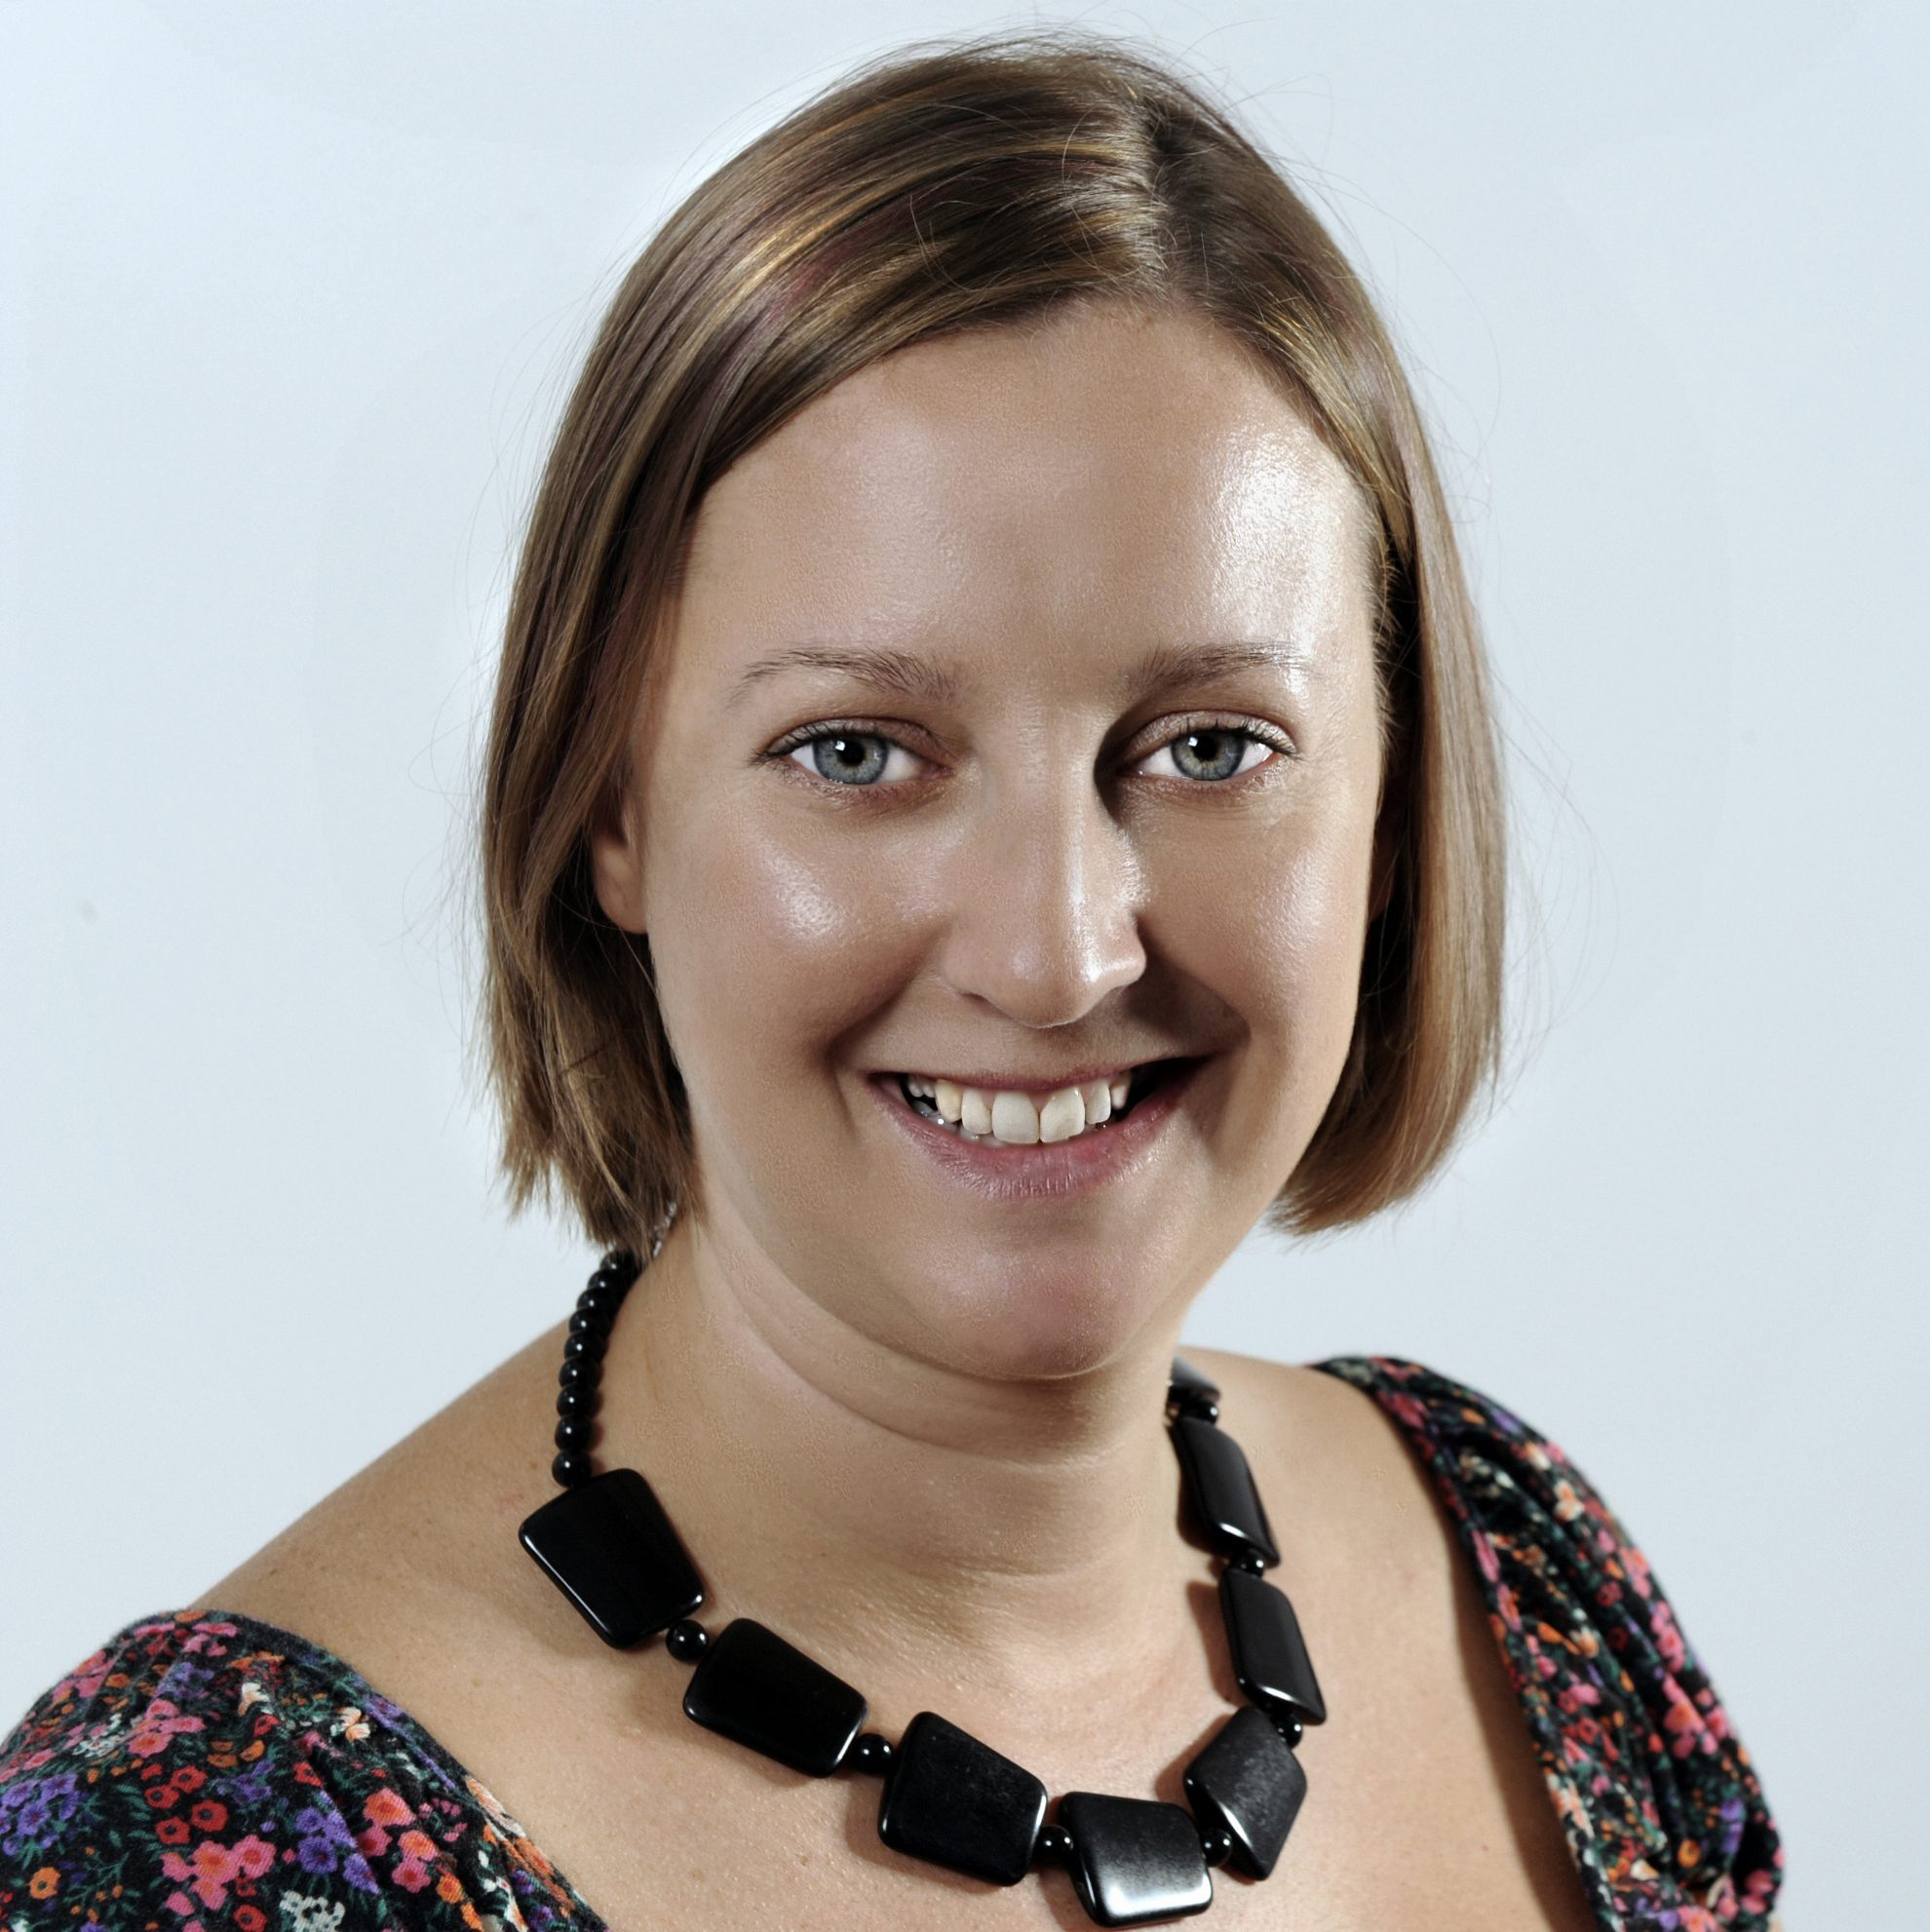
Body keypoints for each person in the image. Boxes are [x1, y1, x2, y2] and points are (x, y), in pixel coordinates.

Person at [0, 33, 1780, 1932]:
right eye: (857, 750)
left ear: (1394, 798)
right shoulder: (176, 1859)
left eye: (1206, 745)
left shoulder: (1511, 1567)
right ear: (609, 801)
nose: (1055, 951)